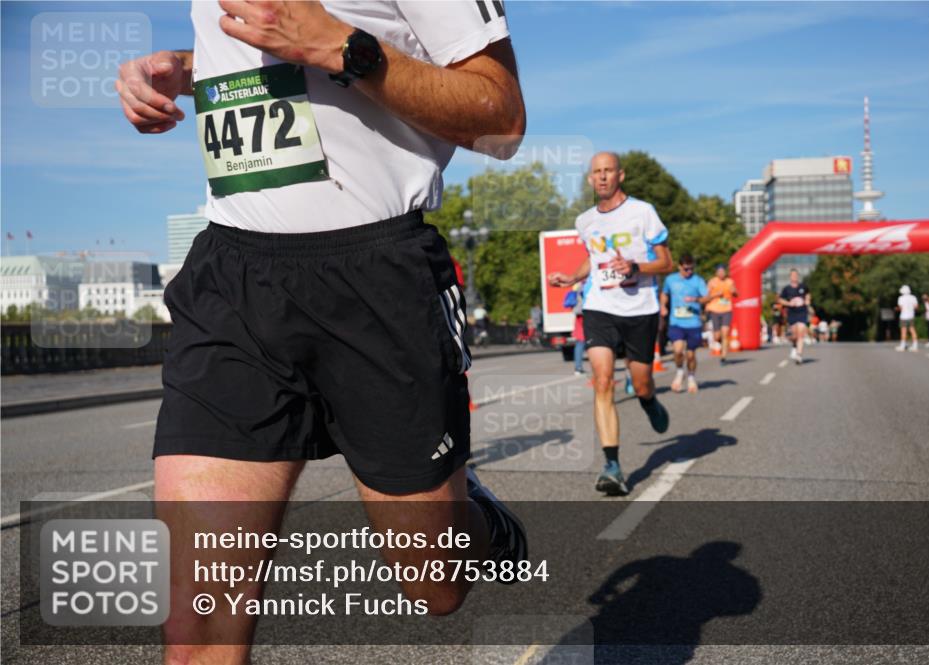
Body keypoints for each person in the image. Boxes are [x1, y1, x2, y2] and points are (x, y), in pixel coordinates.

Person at [118, 2, 527, 659]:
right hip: (234, 278)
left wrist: (342, 47)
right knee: (196, 618)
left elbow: (502, 118)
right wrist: (182, 71)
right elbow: (263, 56)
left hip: (377, 276)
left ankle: (478, 523)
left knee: (434, 582)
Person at [547, 151, 672, 496]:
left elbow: (666, 261)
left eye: (608, 171)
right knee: (602, 381)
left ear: (621, 175)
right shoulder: (585, 221)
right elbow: (593, 257)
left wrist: (635, 267)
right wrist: (571, 277)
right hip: (600, 307)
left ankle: (649, 401)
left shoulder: (642, 212)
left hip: (639, 309)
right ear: (590, 179)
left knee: (641, 382)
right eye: (596, 172)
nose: (602, 177)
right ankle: (612, 465)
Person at [662, 255, 709, 393]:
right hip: (676, 321)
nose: (689, 271)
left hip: (693, 323)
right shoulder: (671, 280)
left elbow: (707, 297)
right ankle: (679, 372)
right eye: (686, 269)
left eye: (692, 269)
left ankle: (691, 377)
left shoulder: (698, 280)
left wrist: (696, 299)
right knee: (677, 351)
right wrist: (663, 306)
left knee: (690, 355)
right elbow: (664, 293)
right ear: (680, 267)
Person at [705, 264, 738, 364]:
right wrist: (716, 294)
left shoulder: (730, 282)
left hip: (727, 310)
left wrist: (734, 291)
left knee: (725, 332)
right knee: (717, 336)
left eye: (723, 271)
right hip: (714, 310)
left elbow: (737, 294)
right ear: (716, 272)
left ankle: (723, 356)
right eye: (719, 271)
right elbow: (706, 296)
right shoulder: (712, 282)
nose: (721, 273)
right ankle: (722, 343)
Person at [778, 269, 810, 364]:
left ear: (798, 276)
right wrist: (789, 303)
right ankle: (794, 346)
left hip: (802, 312)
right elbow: (780, 300)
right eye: (792, 275)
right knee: (794, 335)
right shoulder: (786, 289)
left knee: (801, 333)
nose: (794, 277)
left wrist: (807, 300)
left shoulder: (803, 287)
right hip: (792, 313)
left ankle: (799, 355)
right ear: (790, 277)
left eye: (796, 275)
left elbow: (808, 295)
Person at [896, 285, 919, 352]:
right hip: (911, 316)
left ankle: (903, 346)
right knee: (912, 330)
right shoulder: (913, 297)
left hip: (903, 316)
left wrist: (897, 309)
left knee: (903, 331)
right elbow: (916, 307)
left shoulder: (901, 298)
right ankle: (915, 345)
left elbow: (901, 308)